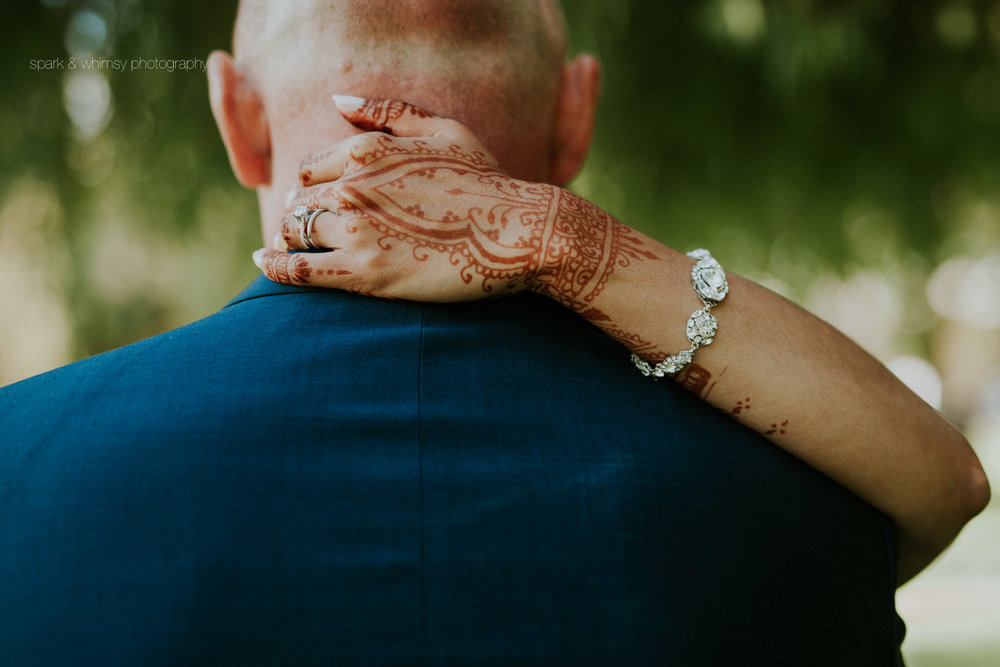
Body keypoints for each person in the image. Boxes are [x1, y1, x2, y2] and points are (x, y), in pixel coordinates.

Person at [0, 1, 986, 664]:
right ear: (576, 117)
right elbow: (950, 484)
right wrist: (570, 241)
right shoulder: (808, 495)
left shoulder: (20, 471)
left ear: (235, 116)